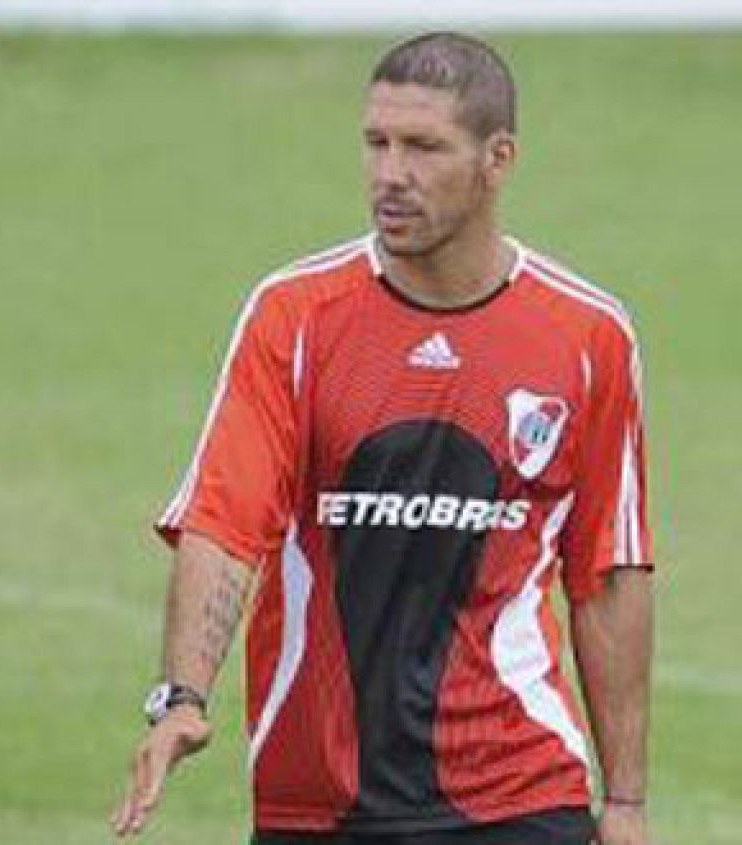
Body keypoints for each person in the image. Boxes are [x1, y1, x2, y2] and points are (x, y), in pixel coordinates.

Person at [113, 32, 653, 845]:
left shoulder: (585, 335)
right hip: (320, 796)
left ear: (497, 158)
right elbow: (224, 525)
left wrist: (626, 800)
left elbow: (607, 571)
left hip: (518, 789)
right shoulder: (295, 317)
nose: (390, 174)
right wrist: (183, 698)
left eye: (423, 147)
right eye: (377, 143)